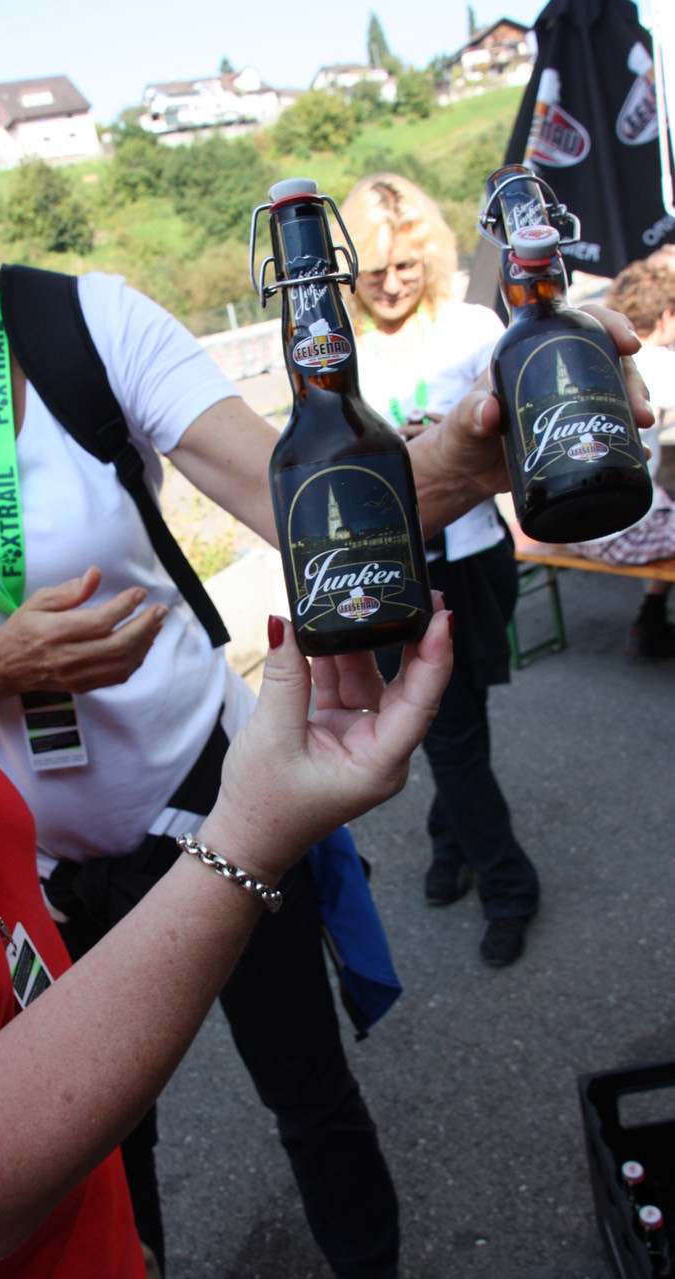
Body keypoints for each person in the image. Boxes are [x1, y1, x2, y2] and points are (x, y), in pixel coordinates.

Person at [0, 2, 653, 1272]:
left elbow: (304, 501)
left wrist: (477, 453)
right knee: (101, 1159)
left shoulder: (82, 320)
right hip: (26, 884)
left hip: (205, 804)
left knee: (310, 1099)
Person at [0, 588, 456, 1277]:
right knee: (130, 1135)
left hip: (193, 796)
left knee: (308, 1086)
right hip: (90, 884)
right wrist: (250, 833)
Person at [339, 173, 540, 968]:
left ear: (429, 258)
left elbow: (513, 429)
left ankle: (449, 846)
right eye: (373, 272)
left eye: (405, 268)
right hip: (393, 571)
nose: (390, 286)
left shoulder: (469, 327)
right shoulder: (333, 349)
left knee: (458, 724)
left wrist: (451, 437)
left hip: (475, 558)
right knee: (448, 734)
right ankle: (507, 882)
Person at [566, 259, 675, 659]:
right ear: (666, 316)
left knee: (663, 500)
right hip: (620, 532)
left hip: (580, 528)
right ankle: (650, 618)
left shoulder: (597, 356)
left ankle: (651, 617)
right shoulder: (658, 363)